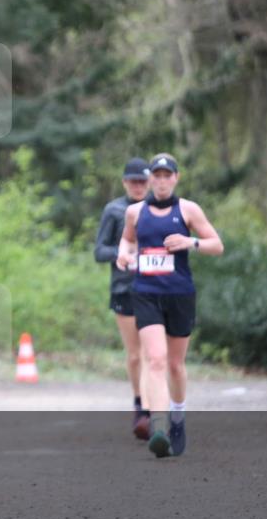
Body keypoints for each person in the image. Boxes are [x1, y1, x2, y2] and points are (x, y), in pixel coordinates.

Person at [116, 153, 223, 458]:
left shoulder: (188, 209)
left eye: (168, 175)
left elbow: (217, 244)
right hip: (146, 292)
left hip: (179, 294)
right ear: (150, 179)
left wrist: (191, 243)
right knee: (156, 360)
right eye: (157, 176)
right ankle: (158, 427)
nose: (162, 181)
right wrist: (123, 255)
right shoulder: (135, 212)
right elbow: (127, 241)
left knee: (175, 365)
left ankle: (177, 416)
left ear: (176, 178)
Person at [94, 157, 151, 440]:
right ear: (125, 182)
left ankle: (156, 408)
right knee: (136, 353)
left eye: (143, 181)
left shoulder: (160, 209)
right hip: (124, 289)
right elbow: (98, 251)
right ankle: (140, 404)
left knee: (156, 354)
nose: (138, 186)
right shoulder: (114, 210)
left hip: (157, 289)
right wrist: (121, 255)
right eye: (133, 181)